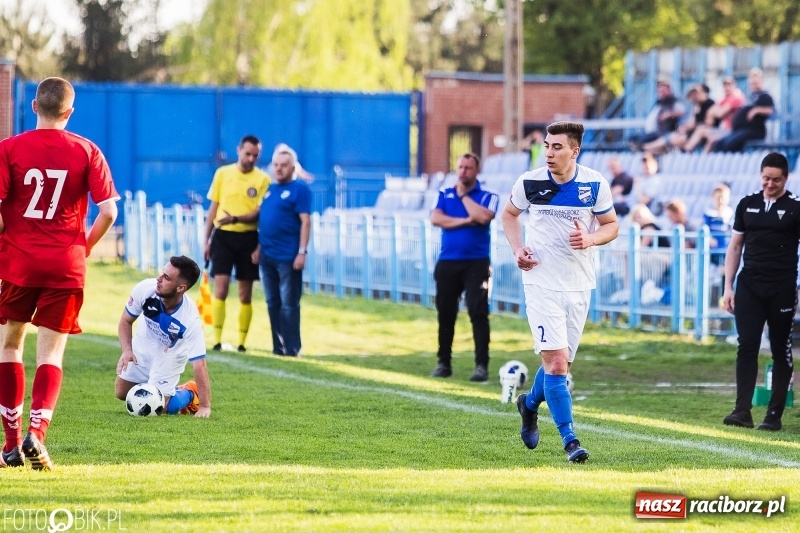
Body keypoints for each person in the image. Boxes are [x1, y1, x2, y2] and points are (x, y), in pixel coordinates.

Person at [0, 77, 120, 470]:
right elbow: (109, 212)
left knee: (10, 346)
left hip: (18, 262)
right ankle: (38, 435)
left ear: (33, 106)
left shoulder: (9, 149)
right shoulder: (87, 150)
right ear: (69, 112)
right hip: (66, 265)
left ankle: (11, 443)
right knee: (51, 352)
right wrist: (82, 247)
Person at [501, 121, 619, 463]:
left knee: (560, 366)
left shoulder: (594, 183)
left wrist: (591, 238)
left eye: (557, 147)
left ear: (574, 151)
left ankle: (528, 403)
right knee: (554, 365)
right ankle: (570, 440)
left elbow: (611, 225)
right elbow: (509, 215)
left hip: (579, 284)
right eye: (547, 146)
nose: (549, 152)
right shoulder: (530, 181)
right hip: (540, 282)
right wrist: (517, 248)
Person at [721, 152, 799, 432]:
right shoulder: (747, 204)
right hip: (750, 286)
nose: (770, 184)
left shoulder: (795, 208)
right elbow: (735, 247)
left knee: (780, 348)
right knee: (747, 346)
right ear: (760, 175)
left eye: (776, 180)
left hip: (782, 287)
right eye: (766, 178)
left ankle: (773, 414)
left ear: (785, 179)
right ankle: (742, 410)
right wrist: (728, 287)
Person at [430, 152, 499, 382]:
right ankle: (444, 362)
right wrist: (465, 220)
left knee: (478, 312)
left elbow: (482, 217)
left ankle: (481, 365)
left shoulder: (487, 196)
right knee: (446, 313)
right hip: (448, 262)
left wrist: (464, 198)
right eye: (460, 167)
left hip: (476, 263)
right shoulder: (444, 193)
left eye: (468, 168)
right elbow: (436, 219)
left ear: (476, 171)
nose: (463, 172)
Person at [115, 256, 211, 418]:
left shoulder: (189, 319)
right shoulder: (145, 289)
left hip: (170, 356)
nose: (158, 279)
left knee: (160, 406)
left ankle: (189, 392)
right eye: (162, 273)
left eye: (166, 278)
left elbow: (199, 364)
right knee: (122, 393)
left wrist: (204, 405)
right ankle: (159, 387)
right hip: (143, 343)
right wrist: (127, 350)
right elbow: (125, 320)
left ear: (181, 288)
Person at [204, 135, 271, 353]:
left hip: (248, 238)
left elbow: (260, 213)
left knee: (245, 294)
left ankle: (242, 342)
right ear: (239, 150)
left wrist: (236, 219)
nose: (251, 158)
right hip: (223, 236)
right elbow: (213, 209)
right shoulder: (223, 174)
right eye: (248, 153)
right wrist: (206, 240)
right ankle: (217, 339)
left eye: (255, 156)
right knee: (220, 288)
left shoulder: (263, 179)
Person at [253, 146, 312, 357]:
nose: (278, 169)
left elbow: (306, 222)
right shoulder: (270, 189)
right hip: (267, 255)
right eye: (276, 165)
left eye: (283, 165)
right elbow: (265, 222)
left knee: (289, 304)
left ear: (293, 167)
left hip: (288, 256)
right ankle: (278, 347)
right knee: (272, 302)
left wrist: (302, 251)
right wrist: (259, 248)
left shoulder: (300, 190)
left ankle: (292, 348)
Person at [711, 68, 775, 153]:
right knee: (719, 143)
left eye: (755, 82)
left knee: (730, 144)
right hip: (740, 130)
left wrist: (756, 110)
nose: (753, 85)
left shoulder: (764, 95)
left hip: (755, 131)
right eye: (752, 83)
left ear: (761, 81)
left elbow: (771, 110)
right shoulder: (751, 97)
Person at [644, 83, 714, 154]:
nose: (694, 96)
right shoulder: (698, 107)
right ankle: (648, 149)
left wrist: (689, 127)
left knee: (674, 139)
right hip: (691, 134)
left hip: (702, 135)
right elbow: (692, 122)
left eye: (696, 94)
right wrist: (684, 128)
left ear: (704, 93)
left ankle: (647, 148)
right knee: (672, 138)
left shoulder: (710, 104)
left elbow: (708, 124)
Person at [686, 77, 746, 153]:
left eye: (729, 85)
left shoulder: (736, 97)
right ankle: (690, 153)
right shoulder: (724, 99)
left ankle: (697, 156)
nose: (726, 88)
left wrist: (714, 113)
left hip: (733, 131)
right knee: (701, 132)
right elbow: (712, 112)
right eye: (725, 86)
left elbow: (720, 113)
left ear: (734, 86)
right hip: (725, 129)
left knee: (708, 136)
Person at [628, 78, 685, 152]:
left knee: (639, 142)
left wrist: (669, 114)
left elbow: (682, 112)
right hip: (651, 132)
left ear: (669, 90)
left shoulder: (673, 102)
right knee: (633, 138)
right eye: (660, 91)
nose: (661, 93)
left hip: (662, 133)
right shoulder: (659, 103)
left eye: (663, 90)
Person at [703, 183, 734, 266]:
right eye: (717, 198)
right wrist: (709, 239)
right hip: (712, 251)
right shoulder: (708, 214)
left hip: (726, 250)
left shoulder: (730, 213)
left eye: (722, 198)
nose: (720, 201)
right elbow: (704, 229)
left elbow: (732, 230)